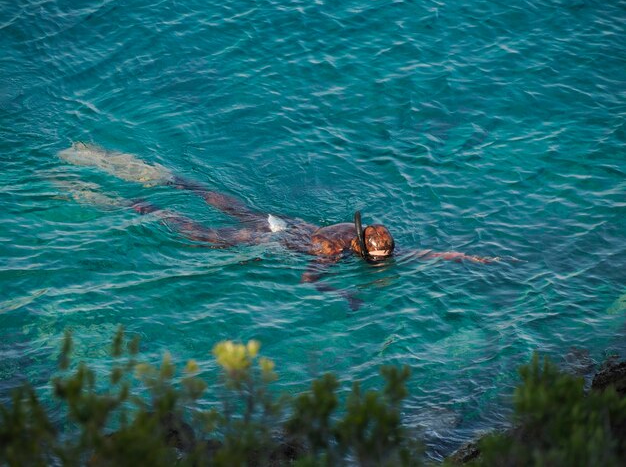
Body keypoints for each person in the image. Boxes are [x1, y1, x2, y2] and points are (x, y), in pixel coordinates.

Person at [58, 142, 498, 309]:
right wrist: (343, 292)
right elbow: (309, 278)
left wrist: (463, 256)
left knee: (212, 196)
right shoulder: (336, 253)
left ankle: (162, 176)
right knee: (194, 232)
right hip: (270, 237)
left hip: (283, 222)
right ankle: (129, 204)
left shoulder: (353, 232)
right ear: (368, 250)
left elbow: (417, 253)